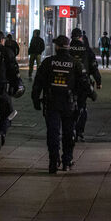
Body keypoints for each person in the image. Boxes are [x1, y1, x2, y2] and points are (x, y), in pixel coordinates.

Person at [32, 35, 89, 173]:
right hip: (69, 105)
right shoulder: (75, 63)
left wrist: (35, 99)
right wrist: (90, 96)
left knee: (53, 133)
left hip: (51, 103)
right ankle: (67, 161)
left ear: (57, 47)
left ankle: (53, 161)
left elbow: (38, 82)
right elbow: (84, 84)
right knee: (69, 134)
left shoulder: (48, 62)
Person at [70, 28, 101, 141]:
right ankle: (79, 131)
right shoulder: (86, 50)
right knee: (82, 107)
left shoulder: (67, 49)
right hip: (83, 83)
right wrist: (98, 81)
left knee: (69, 107)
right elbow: (93, 67)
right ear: (81, 37)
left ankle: (70, 129)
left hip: (69, 84)